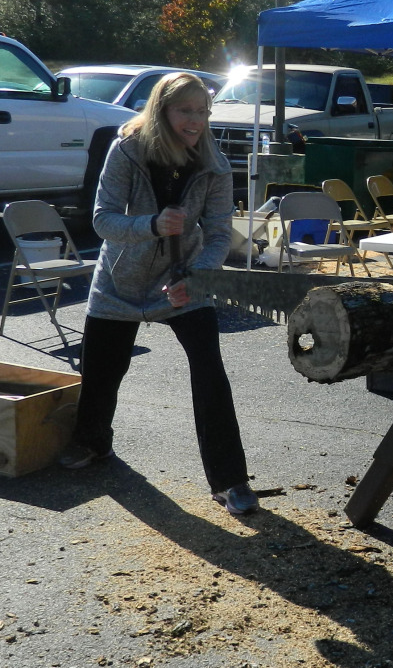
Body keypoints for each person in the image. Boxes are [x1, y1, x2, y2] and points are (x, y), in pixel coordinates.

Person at [57, 72, 258, 516]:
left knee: (210, 374)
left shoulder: (215, 164)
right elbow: (102, 219)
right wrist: (150, 225)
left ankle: (229, 480)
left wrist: (199, 277)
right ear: (162, 109)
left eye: (202, 111)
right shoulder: (127, 149)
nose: (195, 121)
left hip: (185, 280)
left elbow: (221, 233)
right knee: (102, 370)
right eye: (185, 110)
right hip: (120, 280)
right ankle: (93, 442)